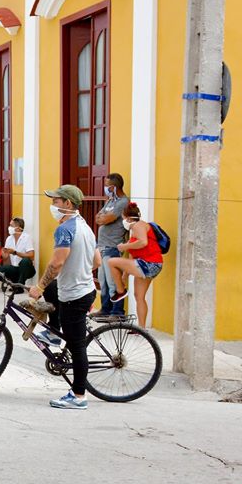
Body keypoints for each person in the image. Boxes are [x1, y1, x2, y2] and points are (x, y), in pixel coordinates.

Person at [28, 185, 101, 410]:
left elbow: (56, 263)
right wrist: (78, 272)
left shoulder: (65, 230)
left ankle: (79, 395)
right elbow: (96, 261)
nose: (53, 206)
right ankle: (54, 335)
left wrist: (39, 286)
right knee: (53, 290)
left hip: (75, 296)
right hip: (85, 289)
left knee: (77, 346)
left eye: (56, 201)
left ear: (68, 204)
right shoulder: (85, 227)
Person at [106, 202, 164, 328]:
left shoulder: (138, 225)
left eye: (122, 217)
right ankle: (142, 329)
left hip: (149, 263)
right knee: (139, 296)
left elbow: (143, 242)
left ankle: (121, 291)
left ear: (127, 217)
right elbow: (133, 256)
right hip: (149, 263)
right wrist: (124, 275)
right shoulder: (135, 228)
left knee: (111, 262)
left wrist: (124, 246)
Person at [93, 173, 130, 318]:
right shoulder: (110, 201)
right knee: (103, 280)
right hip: (102, 246)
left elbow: (107, 218)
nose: (106, 188)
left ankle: (118, 312)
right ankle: (105, 309)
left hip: (113, 247)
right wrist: (103, 218)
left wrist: (104, 218)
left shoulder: (122, 202)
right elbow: (98, 218)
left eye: (108, 186)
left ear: (114, 187)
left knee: (113, 281)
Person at [0, 217, 36, 284]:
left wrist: (15, 252)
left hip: (26, 269)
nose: (9, 227)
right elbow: (7, 259)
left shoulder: (26, 238)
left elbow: (31, 256)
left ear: (18, 228)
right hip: (14, 269)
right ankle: (12, 283)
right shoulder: (9, 239)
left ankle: (19, 285)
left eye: (11, 226)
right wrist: (4, 256)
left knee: (25, 261)